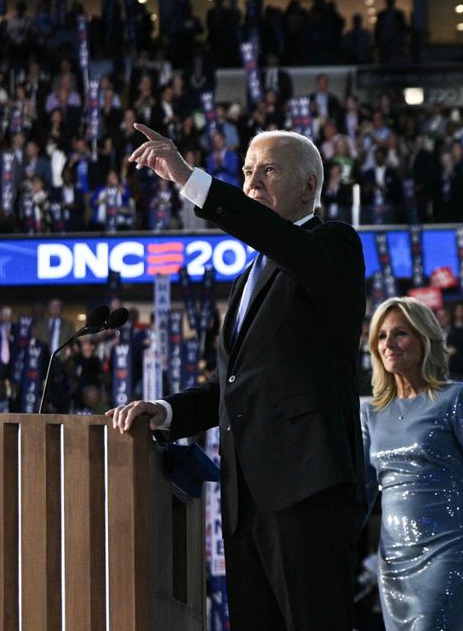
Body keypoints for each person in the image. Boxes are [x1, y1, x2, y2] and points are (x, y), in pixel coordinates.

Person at [109, 123, 366, 629]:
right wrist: (167, 411)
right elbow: (238, 387)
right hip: (245, 500)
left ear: (310, 185)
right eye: (246, 172)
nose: (252, 184)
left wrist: (190, 180)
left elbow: (272, 232)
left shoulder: (333, 245)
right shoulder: (250, 275)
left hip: (306, 489)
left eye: (268, 171)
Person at [361, 297, 463, 629]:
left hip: (449, 551)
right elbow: (364, 494)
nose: (388, 344)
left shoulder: (457, 398)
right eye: (381, 336)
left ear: (425, 339)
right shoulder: (370, 413)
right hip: (393, 559)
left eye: (400, 334)